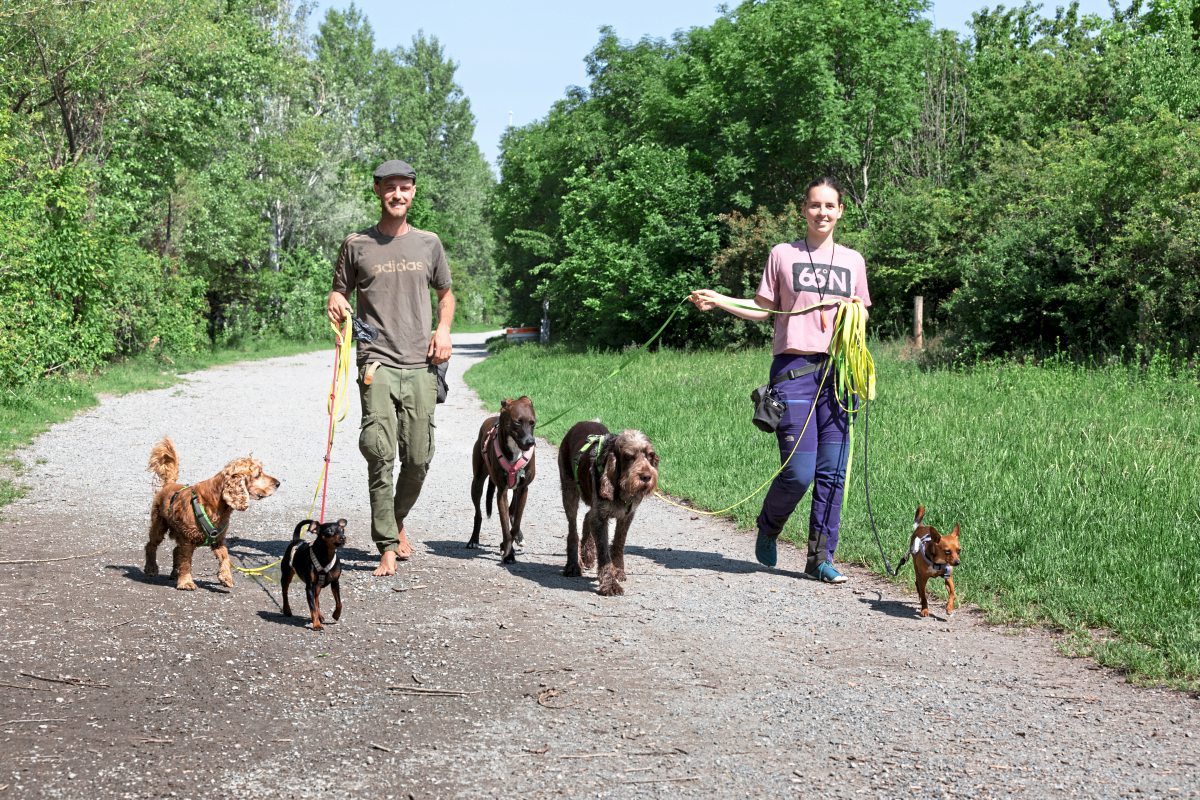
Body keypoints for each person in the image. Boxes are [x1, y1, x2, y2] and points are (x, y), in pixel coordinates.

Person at [689, 177, 870, 584]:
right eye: (814, 205)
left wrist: (857, 313)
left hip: (839, 374)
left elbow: (863, 313)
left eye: (830, 206)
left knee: (833, 472)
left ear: (841, 211)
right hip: (794, 374)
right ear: (803, 210)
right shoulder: (783, 255)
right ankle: (769, 526)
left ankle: (820, 558)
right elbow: (762, 308)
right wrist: (720, 300)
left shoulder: (853, 261)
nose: (822, 212)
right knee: (799, 471)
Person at [327, 159, 455, 577]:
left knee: (418, 457)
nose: (397, 195)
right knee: (380, 453)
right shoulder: (356, 244)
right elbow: (339, 293)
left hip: (422, 363)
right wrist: (337, 301)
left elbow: (446, 294)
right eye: (389, 188)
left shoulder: (429, 243)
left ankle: (396, 519)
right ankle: (385, 543)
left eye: (404, 188)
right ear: (377, 191)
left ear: (413, 192)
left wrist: (444, 330)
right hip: (375, 362)